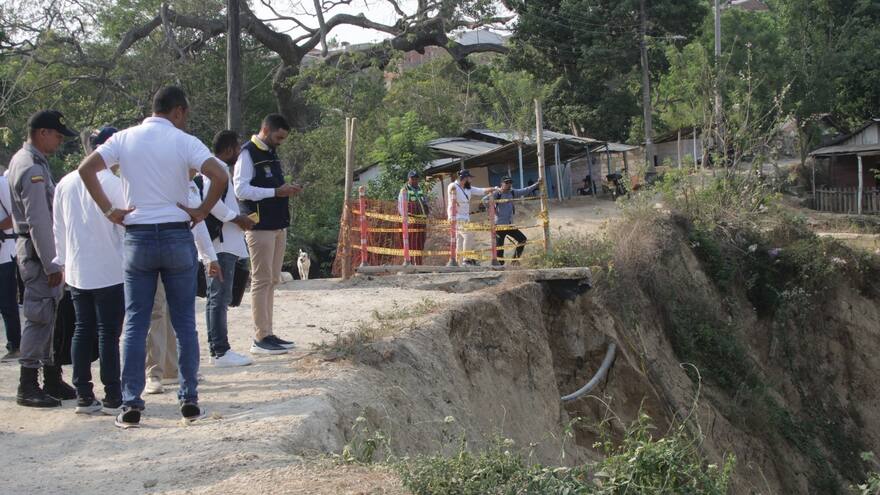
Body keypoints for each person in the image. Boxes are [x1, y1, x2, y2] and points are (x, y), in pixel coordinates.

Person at [77, 86, 228, 428]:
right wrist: (202, 211)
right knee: (184, 322)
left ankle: (131, 403)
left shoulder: (124, 139)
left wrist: (110, 210)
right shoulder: (185, 142)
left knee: (135, 322)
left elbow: (87, 169)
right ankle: (189, 400)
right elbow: (219, 175)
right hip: (176, 233)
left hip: (138, 235)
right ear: (178, 111)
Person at [52, 126, 126, 414]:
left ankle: (83, 394)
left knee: (82, 330)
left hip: (77, 268)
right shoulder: (114, 184)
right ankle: (113, 395)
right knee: (108, 333)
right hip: (110, 268)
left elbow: (58, 227)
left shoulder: (65, 182)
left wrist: (62, 261)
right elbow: (127, 226)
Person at [8, 110, 78, 408]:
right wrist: (52, 263)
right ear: (42, 133)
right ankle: (28, 384)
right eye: (57, 135)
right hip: (38, 253)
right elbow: (38, 220)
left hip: (39, 250)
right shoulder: (30, 167)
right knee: (39, 317)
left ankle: (50, 376)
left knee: (50, 315)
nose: (60, 142)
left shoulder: (35, 162)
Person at [143, 169, 222, 395]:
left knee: (178, 312)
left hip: (183, 254)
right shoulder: (158, 180)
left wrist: (209, 256)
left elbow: (199, 222)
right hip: (156, 249)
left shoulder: (191, 185)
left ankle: (173, 368)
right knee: (156, 311)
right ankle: (153, 373)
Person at [233, 114, 302, 355]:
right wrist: (275, 192)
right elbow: (240, 190)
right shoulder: (247, 153)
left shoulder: (271, 153)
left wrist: (285, 190)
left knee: (272, 280)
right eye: (278, 137)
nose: (280, 142)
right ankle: (260, 337)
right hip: (259, 226)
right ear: (266, 129)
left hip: (277, 225)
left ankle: (268, 333)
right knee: (261, 280)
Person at [202, 130, 255, 367]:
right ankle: (220, 351)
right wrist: (237, 218)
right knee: (219, 298)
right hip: (221, 246)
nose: (239, 153)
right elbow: (212, 204)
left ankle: (217, 350)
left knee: (218, 298)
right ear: (230, 149)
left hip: (227, 244)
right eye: (237, 148)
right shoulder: (217, 172)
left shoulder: (220, 171)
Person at [486, 176, 542, 265]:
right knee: (499, 249)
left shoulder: (512, 192)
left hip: (509, 225)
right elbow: (484, 200)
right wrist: (492, 209)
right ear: (502, 184)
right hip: (499, 226)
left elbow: (525, 190)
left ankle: (514, 261)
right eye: (506, 183)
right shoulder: (497, 193)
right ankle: (499, 266)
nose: (509, 184)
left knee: (522, 239)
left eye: (510, 183)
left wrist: (537, 184)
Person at [446, 169, 496, 265]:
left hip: (465, 218)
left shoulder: (468, 188)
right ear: (464, 178)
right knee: (468, 235)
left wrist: (494, 188)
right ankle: (466, 259)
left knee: (460, 240)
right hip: (456, 217)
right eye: (469, 178)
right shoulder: (453, 186)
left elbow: (481, 191)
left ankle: (458, 263)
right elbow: (451, 189)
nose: (471, 180)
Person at [0, 171, 22, 362]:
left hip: (4, 252)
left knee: (7, 302)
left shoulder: (2, 184)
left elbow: (15, 213)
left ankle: (15, 345)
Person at [397, 170, 430, 265]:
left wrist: (427, 214)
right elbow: (401, 206)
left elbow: (425, 203)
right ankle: (410, 264)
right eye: (412, 178)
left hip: (421, 222)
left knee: (420, 243)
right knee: (412, 243)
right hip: (411, 222)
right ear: (409, 179)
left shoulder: (420, 189)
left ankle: (419, 265)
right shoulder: (404, 190)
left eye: (416, 178)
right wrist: (405, 220)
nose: (414, 180)